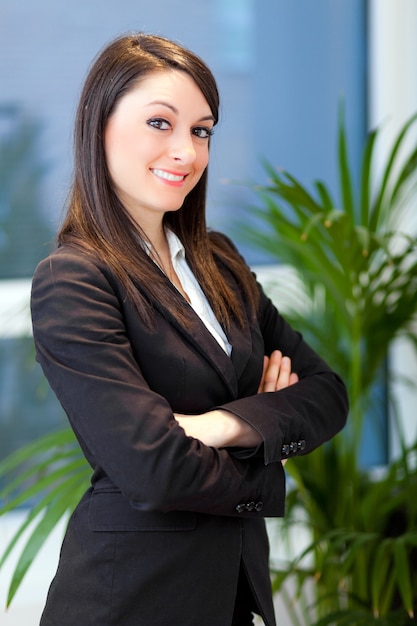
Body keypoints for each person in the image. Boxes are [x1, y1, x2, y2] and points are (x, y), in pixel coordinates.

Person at [30, 33, 348, 626]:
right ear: (100, 125)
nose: (186, 151)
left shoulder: (219, 261)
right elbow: (153, 469)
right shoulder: (74, 279)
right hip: (133, 600)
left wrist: (220, 425)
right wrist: (266, 440)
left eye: (201, 131)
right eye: (160, 123)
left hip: (236, 595)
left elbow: (327, 392)